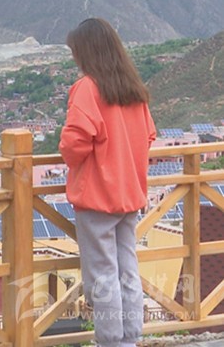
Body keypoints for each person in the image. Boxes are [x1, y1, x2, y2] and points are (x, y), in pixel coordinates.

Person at [59, 18, 156, 347]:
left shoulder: (88, 88)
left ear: (86, 52)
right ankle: (130, 337)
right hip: (130, 195)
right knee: (128, 270)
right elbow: (149, 136)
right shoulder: (133, 88)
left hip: (98, 197)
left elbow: (74, 143)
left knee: (102, 275)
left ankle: (111, 341)